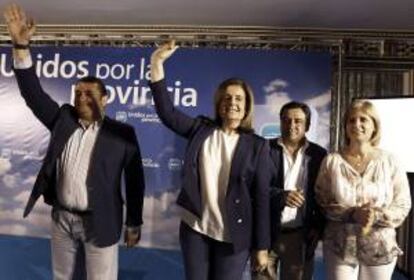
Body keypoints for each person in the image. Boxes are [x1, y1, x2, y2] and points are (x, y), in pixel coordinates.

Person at [3, 4, 145, 280]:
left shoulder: (122, 134)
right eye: (77, 92)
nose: (81, 98)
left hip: (102, 220)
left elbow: (136, 182)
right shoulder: (62, 120)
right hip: (62, 220)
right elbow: (33, 94)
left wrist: (134, 223)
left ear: (105, 99)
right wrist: (20, 46)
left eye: (89, 93)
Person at [149, 40, 270, 280]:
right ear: (218, 104)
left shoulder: (257, 145)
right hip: (196, 229)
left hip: (235, 234)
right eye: (226, 98)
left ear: (246, 107)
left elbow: (262, 197)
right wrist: (157, 62)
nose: (232, 103)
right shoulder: (200, 129)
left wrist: (262, 247)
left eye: (238, 99)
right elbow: (167, 113)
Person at [315, 100, 411, 280]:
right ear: (345, 126)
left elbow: (402, 203)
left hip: (379, 246)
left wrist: (377, 216)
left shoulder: (390, 161)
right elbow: (322, 200)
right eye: (351, 120)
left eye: (363, 120)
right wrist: (352, 214)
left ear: (374, 126)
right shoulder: (332, 161)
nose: (356, 125)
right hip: (340, 245)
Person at [252, 101, 327, 280]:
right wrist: (281, 196)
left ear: (307, 125)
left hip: (300, 237)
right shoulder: (264, 149)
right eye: (286, 120)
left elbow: (324, 196)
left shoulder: (319, 155)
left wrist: (318, 227)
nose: (291, 125)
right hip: (266, 236)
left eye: (297, 121)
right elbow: (253, 189)